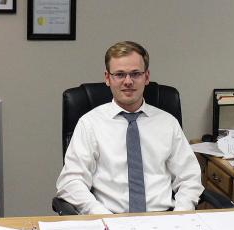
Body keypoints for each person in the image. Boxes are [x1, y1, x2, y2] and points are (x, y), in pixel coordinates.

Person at [56, 41, 204, 214]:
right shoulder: (89, 124)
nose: (128, 81)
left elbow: (189, 178)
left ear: (146, 77)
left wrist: (180, 214)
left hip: (163, 220)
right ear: (107, 78)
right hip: (108, 219)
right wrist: (100, 214)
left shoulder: (167, 123)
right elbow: (71, 182)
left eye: (135, 74)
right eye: (119, 74)